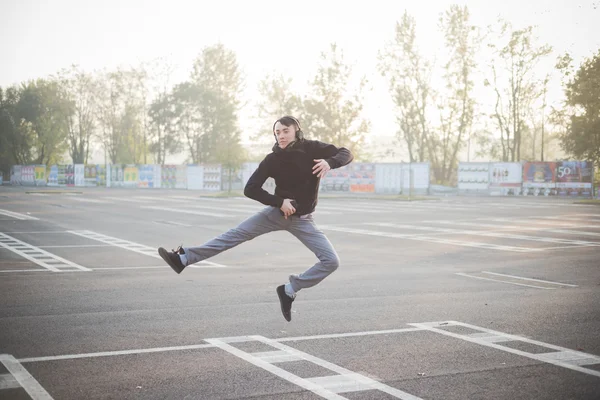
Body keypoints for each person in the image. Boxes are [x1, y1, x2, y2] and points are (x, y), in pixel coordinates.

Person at [158, 116, 354, 321]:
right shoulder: (273, 159)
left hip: (304, 219)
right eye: (277, 132)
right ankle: (183, 257)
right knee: (233, 236)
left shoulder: (312, 149)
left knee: (331, 261)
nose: (281, 136)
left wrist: (330, 162)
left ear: (297, 130)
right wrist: (279, 202)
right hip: (276, 215)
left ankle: (290, 289)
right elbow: (250, 189)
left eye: (285, 131)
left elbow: (346, 153)